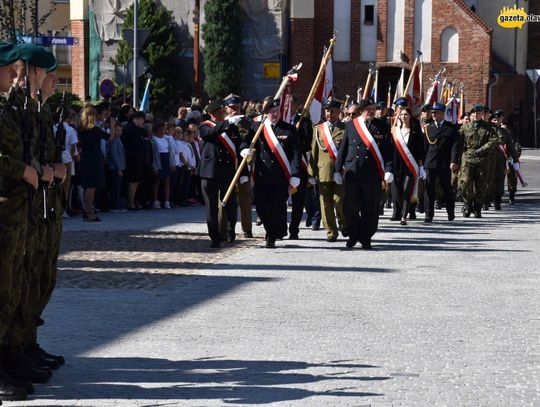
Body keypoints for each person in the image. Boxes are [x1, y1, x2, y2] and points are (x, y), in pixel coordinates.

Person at [0, 42, 39, 401]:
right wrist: (21, 169)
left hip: (13, 206)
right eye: (10, 68)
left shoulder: (7, 108)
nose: (16, 74)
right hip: (4, 205)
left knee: (11, 288)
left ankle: (10, 357)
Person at [334, 98, 394, 249]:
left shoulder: (382, 126)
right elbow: (343, 149)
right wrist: (337, 170)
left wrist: (388, 169)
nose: (372, 111)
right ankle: (354, 235)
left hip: (372, 174)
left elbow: (388, 150)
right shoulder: (351, 125)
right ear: (361, 110)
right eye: (368, 109)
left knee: (371, 209)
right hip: (353, 172)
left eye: (373, 108)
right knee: (350, 208)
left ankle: (366, 237)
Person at [249, 97, 302, 248]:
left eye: (276, 111)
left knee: (277, 207)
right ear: (265, 113)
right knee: (260, 207)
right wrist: (244, 149)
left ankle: (270, 236)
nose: (275, 114)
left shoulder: (289, 129)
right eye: (271, 112)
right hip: (262, 175)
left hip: (280, 176)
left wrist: (295, 174)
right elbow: (248, 141)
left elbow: (295, 153)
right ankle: (270, 230)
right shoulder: (257, 128)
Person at [197, 100, 245, 248]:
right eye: (218, 113)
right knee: (211, 207)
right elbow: (211, 133)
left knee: (231, 204)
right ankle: (215, 237)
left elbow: (239, 144)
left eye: (222, 112)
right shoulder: (205, 126)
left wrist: (244, 150)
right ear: (211, 114)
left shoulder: (231, 127)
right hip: (209, 172)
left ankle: (231, 232)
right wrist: (227, 123)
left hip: (227, 170)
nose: (221, 114)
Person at [310, 97, 347, 242]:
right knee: (325, 204)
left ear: (338, 112)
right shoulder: (319, 130)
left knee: (339, 201)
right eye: (327, 111)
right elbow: (314, 152)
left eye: (332, 111)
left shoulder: (345, 129)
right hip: (323, 172)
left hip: (340, 172)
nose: (329, 113)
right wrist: (311, 173)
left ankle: (345, 224)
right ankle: (331, 231)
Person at [457, 104, 499, 217]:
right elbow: (458, 143)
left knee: (480, 184)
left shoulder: (488, 128)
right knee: (465, 182)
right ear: (471, 115)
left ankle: (477, 207)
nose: (476, 115)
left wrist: (481, 150)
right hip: (468, 158)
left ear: (482, 115)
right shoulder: (465, 128)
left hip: (482, 159)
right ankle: (467, 204)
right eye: (474, 113)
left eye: (479, 113)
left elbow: (493, 141)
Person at [222, 93, 254, 238]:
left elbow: (248, 138)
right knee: (225, 200)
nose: (235, 110)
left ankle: (247, 228)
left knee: (245, 199)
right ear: (226, 108)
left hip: (241, 165)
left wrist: (245, 148)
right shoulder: (221, 123)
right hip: (225, 165)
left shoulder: (246, 122)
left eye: (237, 107)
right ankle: (226, 229)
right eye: (232, 108)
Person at [422, 103, 459, 222]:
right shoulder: (428, 128)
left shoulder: (451, 128)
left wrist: (454, 161)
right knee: (429, 189)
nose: (433, 115)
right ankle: (429, 214)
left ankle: (450, 213)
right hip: (430, 162)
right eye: (432, 113)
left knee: (447, 189)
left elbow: (455, 146)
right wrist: (421, 162)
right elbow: (425, 147)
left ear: (442, 113)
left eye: (436, 112)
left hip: (444, 163)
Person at [390, 107, 425, 225]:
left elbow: (421, 148)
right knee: (397, 192)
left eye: (406, 114)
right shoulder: (395, 131)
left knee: (406, 191)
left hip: (410, 166)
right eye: (402, 115)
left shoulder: (416, 131)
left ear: (410, 116)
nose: (404, 117)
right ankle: (401, 211)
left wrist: (421, 166)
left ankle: (403, 216)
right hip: (397, 165)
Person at [79, 105, 114, 221]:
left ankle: (86, 209)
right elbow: (110, 137)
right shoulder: (95, 130)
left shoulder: (81, 129)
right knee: (91, 186)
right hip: (94, 158)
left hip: (85, 157)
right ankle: (89, 211)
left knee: (86, 186)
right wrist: (112, 126)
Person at [489, 110, 519, 210]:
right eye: (494, 120)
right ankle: (486, 200)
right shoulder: (486, 130)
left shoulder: (504, 132)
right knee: (488, 180)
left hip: (500, 161)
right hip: (488, 160)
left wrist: (515, 159)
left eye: (497, 120)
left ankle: (497, 201)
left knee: (499, 181)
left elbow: (510, 147)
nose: (496, 121)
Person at [121, 111, 146, 210]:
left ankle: (133, 201)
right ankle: (131, 202)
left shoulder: (138, 129)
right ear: (137, 118)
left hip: (137, 157)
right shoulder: (131, 129)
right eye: (142, 119)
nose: (143, 122)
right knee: (133, 180)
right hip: (132, 158)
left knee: (137, 180)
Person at [151, 120, 175, 209]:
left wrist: (172, 163)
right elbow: (153, 154)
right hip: (158, 160)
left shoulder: (166, 139)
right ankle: (155, 201)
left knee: (166, 182)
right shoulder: (153, 139)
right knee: (156, 182)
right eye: (164, 129)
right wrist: (155, 166)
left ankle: (166, 201)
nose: (165, 130)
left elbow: (170, 152)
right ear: (158, 129)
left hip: (166, 160)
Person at [107, 120, 126, 212]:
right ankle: (114, 205)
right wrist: (119, 169)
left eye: (120, 130)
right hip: (114, 167)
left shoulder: (118, 139)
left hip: (118, 167)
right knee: (115, 187)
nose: (119, 132)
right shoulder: (113, 140)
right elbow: (114, 155)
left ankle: (116, 204)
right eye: (117, 130)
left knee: (117, 187)